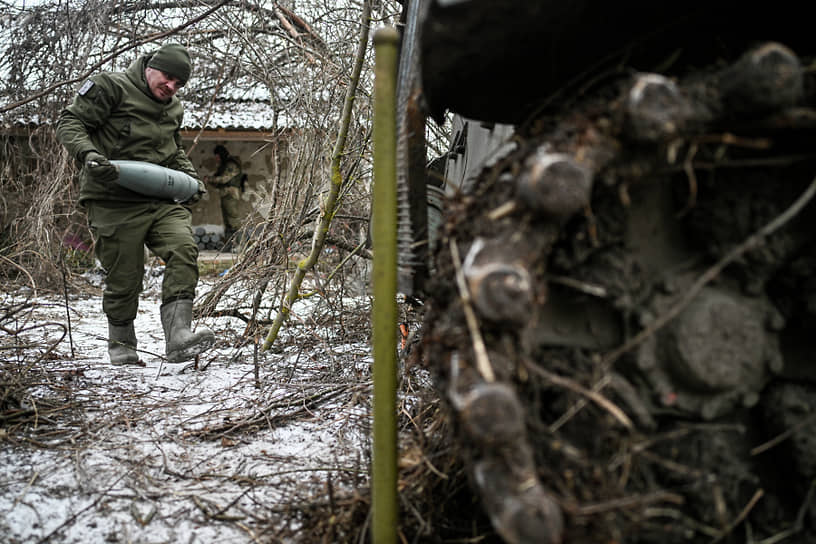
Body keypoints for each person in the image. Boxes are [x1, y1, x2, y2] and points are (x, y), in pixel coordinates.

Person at [56, 43, 215, 366]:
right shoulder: (110, 87)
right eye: (168, 77)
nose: (171, 87)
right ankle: (122, 345)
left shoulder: (173, 109)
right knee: (124, 277)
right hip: (112, 200)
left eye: (179, 83)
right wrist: (89, 155)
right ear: (150, 67)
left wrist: (190, 180)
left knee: (184, 248)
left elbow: (173, 151)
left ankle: (179, 336)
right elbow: (70, 123)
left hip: (159, 200)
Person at [204, 145, 245, 251]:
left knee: (234, 221)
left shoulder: (231, 164)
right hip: (225, 195)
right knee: (227, 222)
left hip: (230, 194)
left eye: (217, 156)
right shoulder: (223, 165)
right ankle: (229, 245)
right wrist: (211, 180)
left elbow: (224, 179)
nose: (216, 159)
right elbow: (218, 182)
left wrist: (210, 179)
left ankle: (240, 245)